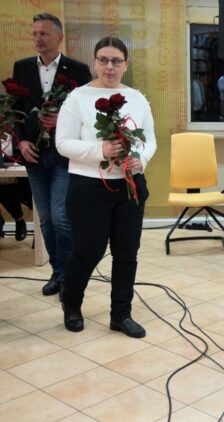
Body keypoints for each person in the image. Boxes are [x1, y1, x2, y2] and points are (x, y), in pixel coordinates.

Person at [55, 37, 156, 337]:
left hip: (129, 186)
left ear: (126, 64)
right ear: (95, 62)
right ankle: (71, 304)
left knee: (127, 252)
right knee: (89, 250)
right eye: (103, 59)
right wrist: (101, 151)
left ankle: (120, 314)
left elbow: (149, 139)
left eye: (116, 61)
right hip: (88, 187)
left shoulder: (137, 98)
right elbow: (62, 143)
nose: (109, 66)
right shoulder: (77, 97)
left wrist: (141, 159)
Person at [12, 13, 91, 297]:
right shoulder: (21, 68)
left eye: (43, 34)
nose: (37, 39)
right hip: (33, 155)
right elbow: (16, 112)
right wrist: (20, 143)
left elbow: (89, 117)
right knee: (44, 219)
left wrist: (63, 121)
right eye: (34, 34)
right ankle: (58, 273)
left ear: (59, 37)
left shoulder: (78, 71)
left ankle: (71, 275)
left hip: (63, 155)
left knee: (60, 216)